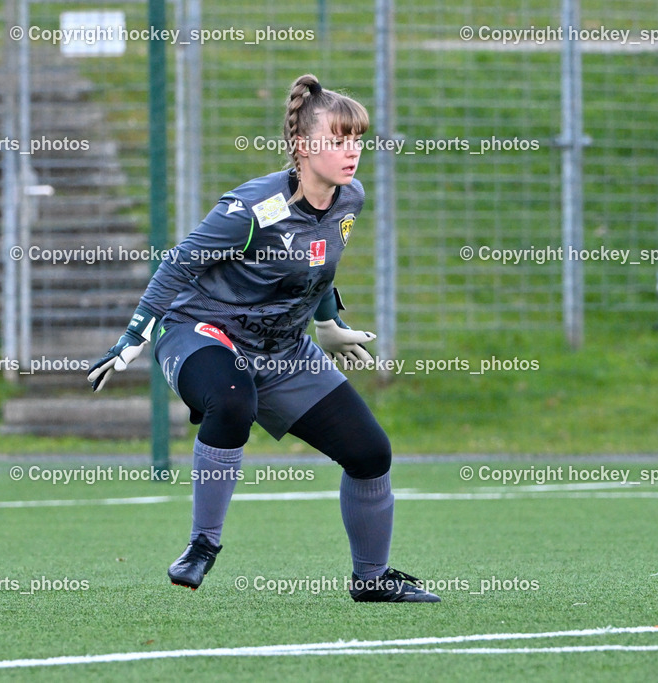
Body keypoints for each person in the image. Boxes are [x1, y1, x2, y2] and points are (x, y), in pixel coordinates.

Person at [88, 74, 439, 603]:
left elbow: (318, 263)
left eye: (357, 140)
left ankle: (371, 579)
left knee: (370, 453)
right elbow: (179, 264)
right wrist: (134, 336)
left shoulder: (350, 200)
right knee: (232, 399)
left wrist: (327, 325)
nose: (351, 153)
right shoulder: (253, 208)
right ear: (302, 147)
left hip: (283, 349)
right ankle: (202, 545)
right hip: (202, 331)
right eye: (337, 141)